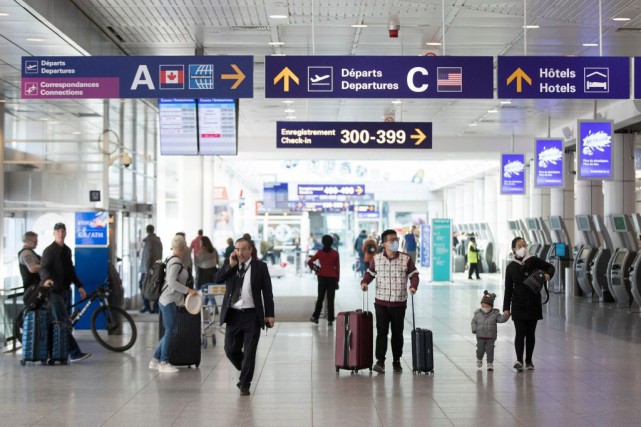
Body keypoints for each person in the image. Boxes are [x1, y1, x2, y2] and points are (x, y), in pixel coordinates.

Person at [215, 237, 275, 396]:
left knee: (249, 352)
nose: (239, 253)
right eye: (237, 249)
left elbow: (267, 292)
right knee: (230, 350)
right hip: (233, 314)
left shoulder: (260, 267)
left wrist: (269, 314)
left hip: (251, 315)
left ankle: (245, 383)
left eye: (243, 249)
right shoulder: (232, 265)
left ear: (250, 250)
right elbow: (217, 278)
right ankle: (246, 368)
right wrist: (230, 266)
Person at [361, 229, 419, 374]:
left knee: (397, 333)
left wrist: (413, 286)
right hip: (381, 302)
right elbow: (370, 273)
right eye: (392, 240)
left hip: (399, 303)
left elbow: (414, 275)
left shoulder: (406, 259)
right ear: (384, 243)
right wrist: (365, 282)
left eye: (396, 239)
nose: (395, 242)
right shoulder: (377, 259)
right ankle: (380, 361)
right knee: (382, 332)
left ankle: (397, 360)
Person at [39, 222, 91, 363]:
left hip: (64, 291)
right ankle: (74, 353)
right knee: (62, 322)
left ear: (66, 233)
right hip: (53, 292)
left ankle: (50, 353)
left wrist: (79, 286)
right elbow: (43, 268)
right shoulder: (49, 251)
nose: (60, 233)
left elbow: (70, 271)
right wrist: (46, 279)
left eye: (63, 230)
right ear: (54, 233)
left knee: (56, 322)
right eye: (58, 231)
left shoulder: (67, 250)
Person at [503, 236, 555, 372]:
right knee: (520, 332)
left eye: (525, 245)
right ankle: (519, 360)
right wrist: (506, 308)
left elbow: (550, 267)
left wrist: (548, 275)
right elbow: (508, 288)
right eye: (520, 246)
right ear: (514, 249)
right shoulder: (511, 267)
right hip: (518, 304)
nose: (523, 248)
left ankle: (529, 361)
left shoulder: (533, 261)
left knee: (531, 333)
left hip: (533, 303)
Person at [149, 234, 198, 373]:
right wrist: (188, 290)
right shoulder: (176, 262)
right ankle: (163, 362)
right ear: (184, 248)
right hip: (168, 301)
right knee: (170, 331)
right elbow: (171, 282)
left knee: (169, 332)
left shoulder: (172, 259)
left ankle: (154, 360)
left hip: (169, 300)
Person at [471, 290, 510, 371]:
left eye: (486, 306)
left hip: (491, 336)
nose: (484, 308)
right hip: (480, 336)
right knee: (480, 350)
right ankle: (479, 358)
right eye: (483, 306)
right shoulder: (477, 314)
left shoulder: (495, 314)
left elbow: (501, 319)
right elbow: (473, 321)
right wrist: (474, 329)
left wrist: (506, 315)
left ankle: (490, 364)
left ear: (490, 306)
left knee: (490, 350)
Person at [308, 235, 340, 326]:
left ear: (322, 242)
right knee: (331, 299)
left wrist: (316, 269)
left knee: (320, 298)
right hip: (332, 278)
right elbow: (337, 268)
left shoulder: (320, 252)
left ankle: (316, 317)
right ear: (332, 242)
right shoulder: (335, 253)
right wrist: (337, 280)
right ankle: (330, 319)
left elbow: (309, 262)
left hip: (321, 277)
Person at [139, 224, 163, 313]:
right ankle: (156, 307)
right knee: (156, 286)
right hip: (157, 267)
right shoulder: (158, 241)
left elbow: (148, 256)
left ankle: (147, 306)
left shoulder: (149, 241)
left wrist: (148, 269)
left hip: (148, 269)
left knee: (142, 285)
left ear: (147, 230)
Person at [18, 231, 41, 296]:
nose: (37, 243)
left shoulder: (30, 252)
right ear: (28, 241)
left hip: (34, 287)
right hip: (32, 289)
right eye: (35, 241)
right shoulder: (26, 253)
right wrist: (47, 266)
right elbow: (32, 268)